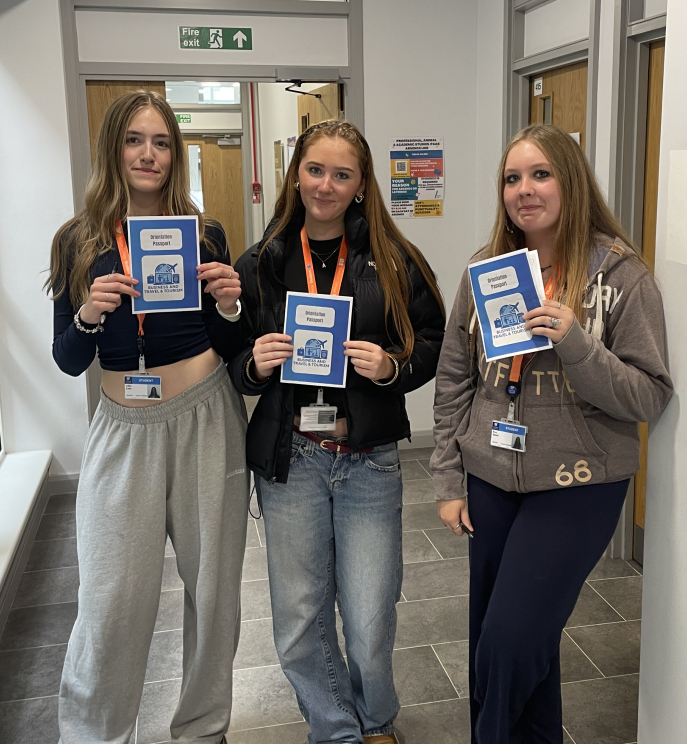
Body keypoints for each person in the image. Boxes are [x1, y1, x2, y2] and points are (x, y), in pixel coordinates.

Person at [429, 125, 673, 744]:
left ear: (571, 182)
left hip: (578, 482)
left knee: (507, 644)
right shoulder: (485, 269)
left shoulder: (622, 276)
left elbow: (648, 395)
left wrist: (575, 344)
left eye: (541, 174)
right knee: (506, 638)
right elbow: (455, 376)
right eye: (512, 178)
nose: (525, 190)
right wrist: (449, 477)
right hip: (491, 475)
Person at [229, 120, 445, 744]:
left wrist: (392, 367)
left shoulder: (396, 259)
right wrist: (254, 364)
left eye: (341, 174)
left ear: (361, 185)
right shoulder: (260, 263)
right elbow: (232, 359)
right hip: (292, 457)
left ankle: (375, 720)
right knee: (299, 615)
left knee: (371, 613)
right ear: (296, 175)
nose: (326, 185)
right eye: (315, 170)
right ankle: (336, 731)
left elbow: (434, 341)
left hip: (368, 459)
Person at [46, 90, 249, 744]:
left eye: (162, 142)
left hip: (205, 417)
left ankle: (203, 731)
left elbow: (230, 344)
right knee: (110, 600)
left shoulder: (203, 234)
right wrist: (88, 314)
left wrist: (231, 305)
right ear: (114, 148)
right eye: (135, 140)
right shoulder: (77, 242)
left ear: (175, 155)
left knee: (213, 593)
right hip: (122, 429)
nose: (148, 154)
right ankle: (95, 733)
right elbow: (68, 359)